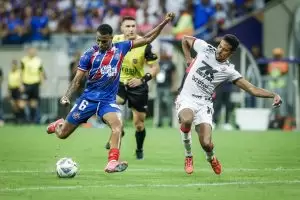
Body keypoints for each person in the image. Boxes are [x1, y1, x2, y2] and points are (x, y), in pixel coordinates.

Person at [46, 12, 175, 173]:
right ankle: (59, 124)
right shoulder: (89, 54)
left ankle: (112, 162)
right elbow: (77, 79)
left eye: (104, 41)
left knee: (117, 127)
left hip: (107, 101)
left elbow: (148, 38)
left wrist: (164, 22)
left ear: (111, 38)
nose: (100, 44)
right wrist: (66, 95)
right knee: (62, 135)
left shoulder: (121, 48)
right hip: (88, 100)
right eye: (98, 40)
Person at [176, 34, 282, 175]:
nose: (219, 50)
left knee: (206, 143)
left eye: (224, 49)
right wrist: (188, 59)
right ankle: (188, 156)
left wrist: (273, 95)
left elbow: (252, 89)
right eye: (220, 46)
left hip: (204, 104)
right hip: (187, 98)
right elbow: (185, 39)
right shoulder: (205, 48)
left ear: (231, 53)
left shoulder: (229, 71)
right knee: (187, 119)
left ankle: (211, 157)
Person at [105, 16, 160, 160]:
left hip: (138, 86)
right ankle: (117, 130)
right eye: (127, 26)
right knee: (109, 105)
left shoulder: (144, 44)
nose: (131, 29)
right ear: (121, 28)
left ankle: (139, 148)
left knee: (139, 124)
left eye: (133, 26)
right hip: (118, 83)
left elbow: (155, 68)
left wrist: (141, 79)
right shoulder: (114, 40)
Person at [21, 47, 45, 123]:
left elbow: (41, 71)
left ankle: (33, 120)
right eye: (30, 51)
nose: (32, 52)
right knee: (23, 103)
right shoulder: (24, 60)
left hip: (35, 84)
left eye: (33, 51)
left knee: (34, 103)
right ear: (28, 52)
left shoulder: (38, 60)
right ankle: (25, 119)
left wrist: (42, 81)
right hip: (26, 84)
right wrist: (21, 84)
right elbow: (21, 72)